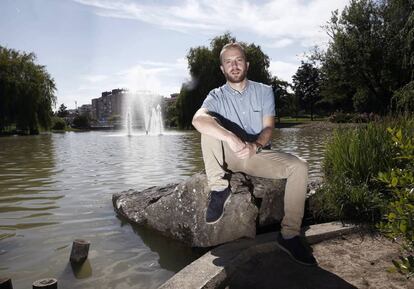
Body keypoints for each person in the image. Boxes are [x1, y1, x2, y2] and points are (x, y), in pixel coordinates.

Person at [191, 42, 317, 266]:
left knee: (300, 166)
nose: (234, 65)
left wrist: (255, 145)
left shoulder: (264, 91)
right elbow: (197, 119)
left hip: (254, 154)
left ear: (247, 64)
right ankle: (219, 189)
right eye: (228, 62)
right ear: (222, 69)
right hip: (228, 155)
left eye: (238, 60)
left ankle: (289, 235)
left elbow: (268, 128)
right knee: (207, 127)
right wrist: (230, 137)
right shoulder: (215, 96)